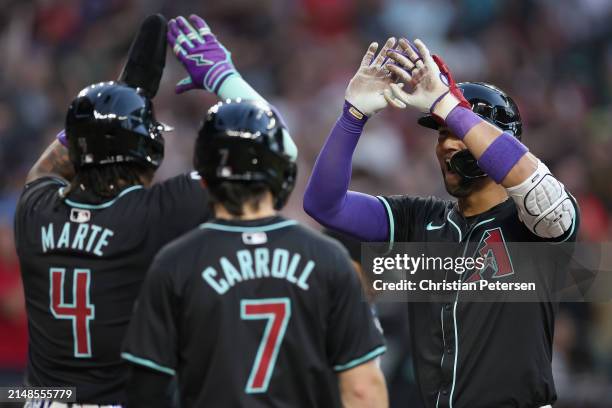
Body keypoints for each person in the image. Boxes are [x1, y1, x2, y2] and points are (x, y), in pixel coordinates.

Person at [303, 37, 579, 408]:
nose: (447, 144)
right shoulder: (421, 218)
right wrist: (353, 117)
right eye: (442, 134)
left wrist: (450, 107)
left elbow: (539, 193)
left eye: (459, 134)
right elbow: (324, 205)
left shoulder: (533, 224)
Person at [14, 13, 269, 405]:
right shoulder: (160, 211)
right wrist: (223, 78)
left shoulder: (35, 210)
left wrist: (115, 100)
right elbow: (272, 146)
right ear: (149, 149)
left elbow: (45, 169)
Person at [121, 99, 388, 408]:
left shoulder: (175, 262)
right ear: (282, 172)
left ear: (204, 177)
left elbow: (146, 392)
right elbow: (362, 390)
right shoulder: (329, 258)